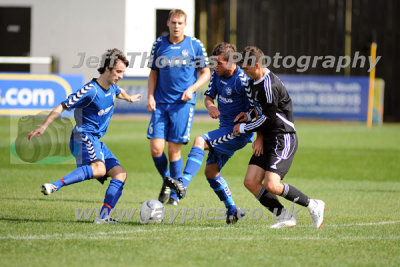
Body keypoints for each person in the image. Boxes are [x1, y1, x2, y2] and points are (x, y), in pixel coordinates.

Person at [28, 48, 142, 224]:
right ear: (107, 68)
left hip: (95, 139)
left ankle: (103, 217)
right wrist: (43, 126)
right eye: (118, 71)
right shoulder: (90, 90)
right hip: (83, 136)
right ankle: (54, 185)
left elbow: (119, 92)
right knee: (100, 169)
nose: (120, 76)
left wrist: (130, 98)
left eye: (123, 72)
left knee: (120, 174)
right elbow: (63, 105)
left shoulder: (112, 87)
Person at [232, 46, 325, 229]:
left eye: (246, 68)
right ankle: (284, 216)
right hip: (267, 137)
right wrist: (248, 116)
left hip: (282, 137)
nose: (244, 71)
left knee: (272, 184)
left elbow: (268, 118)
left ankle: (313, 205)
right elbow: (258, 111)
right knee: (250, 181)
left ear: (257, 64)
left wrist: (244, 128)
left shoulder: (269, 85)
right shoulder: (254, 81)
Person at [164, 42, 253, 224]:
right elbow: (208, 97)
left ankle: (183, 183)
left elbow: (256, 108)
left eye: (219, 63)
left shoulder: (243, 80)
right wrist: (211, 106)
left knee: (200, 140)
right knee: (211, 172)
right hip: (224, 129)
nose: (215, 67)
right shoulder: (216, 76)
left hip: (238, 132)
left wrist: (255, 132)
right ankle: (232, 209)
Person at [147, 9, 210, 206]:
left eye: (180, 23)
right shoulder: (159, 44)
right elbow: (153, 73)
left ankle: (174, 195)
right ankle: (168, 181)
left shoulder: (194, 45)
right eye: (173, 22)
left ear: (185, 25)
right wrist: (150, 95)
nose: (176, 26)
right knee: (156, 148)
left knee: (174, 151)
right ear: (168, 23)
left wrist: (192, 89)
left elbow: (206, 72)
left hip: (182, 105)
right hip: (160, 103)